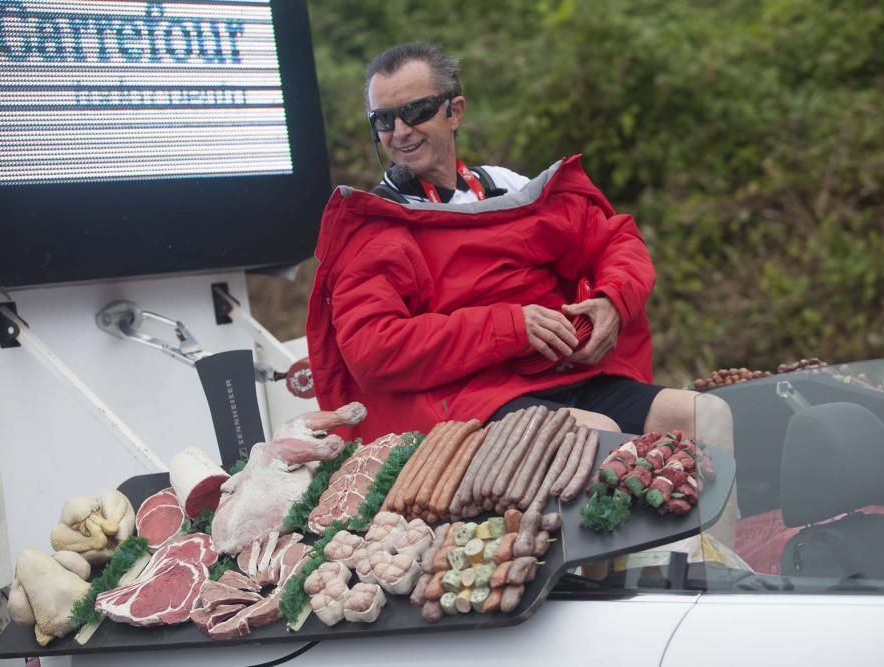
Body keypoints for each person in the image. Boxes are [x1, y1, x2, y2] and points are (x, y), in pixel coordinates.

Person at [306, 40, 737, 548]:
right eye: (383, 120)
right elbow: (372, 349)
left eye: (415, 112)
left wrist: (612, 301)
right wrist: (511, 326)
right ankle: (610, 592)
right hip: (469, 399)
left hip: (563, 372)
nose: (399, 132)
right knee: (593, 435)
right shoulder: (376, 225)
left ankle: (719, 571)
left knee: (707, 415)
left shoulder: (510, 188)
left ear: (454, 110)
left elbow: (614, 240)